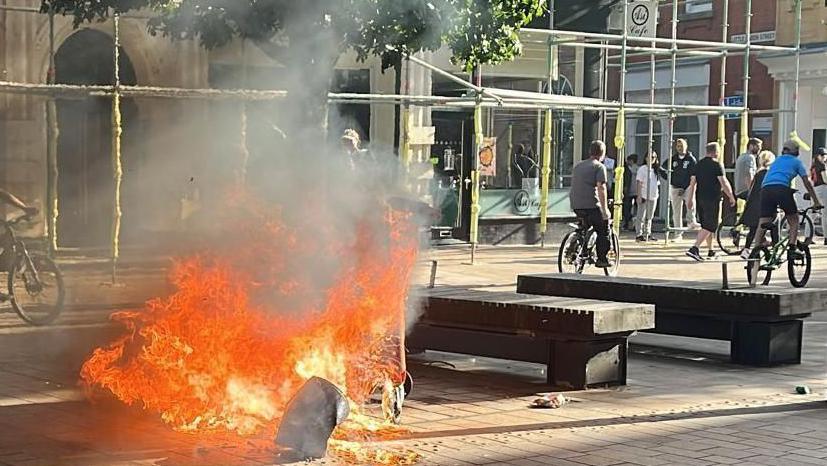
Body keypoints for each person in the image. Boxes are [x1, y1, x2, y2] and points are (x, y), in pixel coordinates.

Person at [752, 140, 822, 260]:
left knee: (763, 221)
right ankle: (792, 249)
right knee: (794, 220)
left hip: (765, 190)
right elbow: (807, 182)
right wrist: (816, 201)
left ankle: (755, 251)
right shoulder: (797, 162)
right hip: (782, 189)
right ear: (796, 151)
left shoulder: (777, 160)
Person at [686, 142, 736, 261]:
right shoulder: (717, 165)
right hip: (712, 198)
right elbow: (724, 182)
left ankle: (711, 250)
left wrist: (690, 199)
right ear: (716, 151)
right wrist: (731, 196)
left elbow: (692, 183)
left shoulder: (698, 164)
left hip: (700, 198)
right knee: (711, 225)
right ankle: (695, 248)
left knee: (705, 225)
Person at [569, 140, 611, 268]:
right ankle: (602, 259)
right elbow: (601, 188)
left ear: (589, 152)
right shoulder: (599, 167)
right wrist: (605, 210)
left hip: (576, 204)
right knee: (603, 229)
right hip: (591, 205)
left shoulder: (578, 166)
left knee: (585, 226)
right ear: (602, 153)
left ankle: (575, 246)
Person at [739, 150, 777, 259]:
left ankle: (746, 250)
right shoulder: (770, 173)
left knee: (753, 229)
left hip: (753, 205)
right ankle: (774, 249)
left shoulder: (758, 173)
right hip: (765, 205)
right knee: (774, 225)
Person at [669, 138, 700, 239]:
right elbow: (664, 169)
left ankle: (691, 221)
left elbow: (693, 174)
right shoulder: (673, 159)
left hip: (687, 186)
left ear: (686, 146)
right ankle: (678, 233)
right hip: (676, 187)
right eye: (678, 146)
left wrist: (685, 186)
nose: (680, 148)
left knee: (691, 203)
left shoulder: (691, 159)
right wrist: (671, 181)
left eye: (682, 146)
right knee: (676, 211)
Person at [635, 152, 667, 242]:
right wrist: (639, 195)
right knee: (641, 215)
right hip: (644, 195)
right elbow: (639, 183)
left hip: (653, 196)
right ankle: (639, 234)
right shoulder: (642, 169)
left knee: (650, 216)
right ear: (646, 158)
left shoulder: (655, 170)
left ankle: (648, 233)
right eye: (650, 157)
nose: (652, 159)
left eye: (654, 157)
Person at [734, 138, 762, 209]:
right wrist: (751, 191)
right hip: (745, 190)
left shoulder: (741, 156)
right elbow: (748, 175)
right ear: (751, 146)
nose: (760, 149)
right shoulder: (750, 158)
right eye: (758, 146)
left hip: (739, 190)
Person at [811, 147, 827, 245]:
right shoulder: (822, 165)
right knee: (825, 214)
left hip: (815, 189)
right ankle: (826, 237)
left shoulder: (813, 166)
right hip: (823, 189)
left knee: (812, 213)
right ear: (819, 156)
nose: (825, 157)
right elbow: (825, 179)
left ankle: (808, 237)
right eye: (824, 155)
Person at [622, 153, 639, 231]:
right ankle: (632, 224)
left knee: (628, 208)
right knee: (633, 208)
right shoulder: (638, 169)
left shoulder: (628, 170)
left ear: (631, 161)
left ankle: (630, 223)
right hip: (635, 191)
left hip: (631, 191)